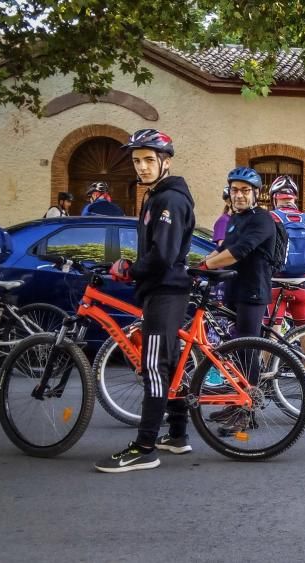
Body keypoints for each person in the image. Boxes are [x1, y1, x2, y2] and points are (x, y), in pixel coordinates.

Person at [94, 129, 195, 473]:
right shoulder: (156, 196)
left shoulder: (169, 200)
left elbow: (163, 255)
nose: (142, 167)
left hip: (165, 290)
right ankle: (178, 435)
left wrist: (130, 268)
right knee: (170, 363)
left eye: (149, 160)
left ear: (165, 161)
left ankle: (144, 447)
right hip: (162, 289)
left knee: (154, 365)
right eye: (137, 161)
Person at [198, 167, 277, 432]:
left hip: (253, 290)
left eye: (245, 190)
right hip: (234, 288)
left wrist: (206, 266)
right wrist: (201, 263)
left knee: (247, 348)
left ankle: (247, 410)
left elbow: (238, 252)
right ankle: (236, 401)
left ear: (256, 193)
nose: (239, 195)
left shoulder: (262, 219)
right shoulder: (235, 219)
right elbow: (223, 248)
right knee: (234, 349)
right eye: (235, 190)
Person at [266, 176, 305, 331]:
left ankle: (275, 354)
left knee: (272, 334)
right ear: (294, 198)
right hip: (301, 282)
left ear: (275, 198)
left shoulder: (270, 218)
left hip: (275, 282)